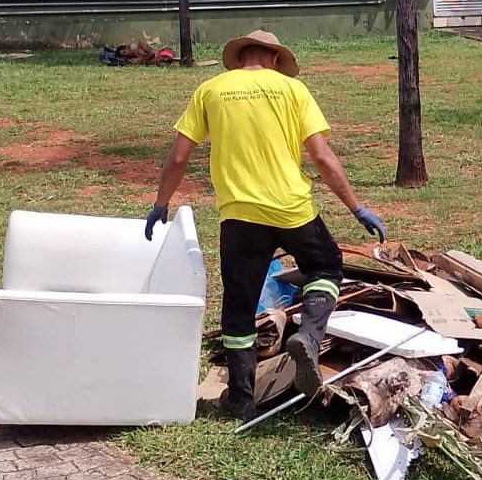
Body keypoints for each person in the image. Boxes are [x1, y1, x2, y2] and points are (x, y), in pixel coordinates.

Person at [146, 29, 385, 421]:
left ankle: (241, 397)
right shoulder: (293, 90)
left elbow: (177, 158)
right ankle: (308, 335)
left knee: (239, 305)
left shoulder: (211, 90)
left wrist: (160, 203)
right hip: (292, 207)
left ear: (241, 57)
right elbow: (323, 157)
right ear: (275, 58)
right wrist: (357, 208)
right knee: (325, 267)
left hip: (240, 214)